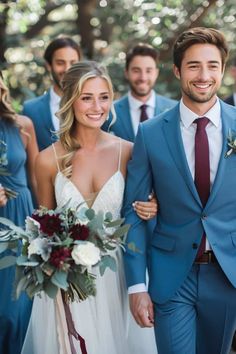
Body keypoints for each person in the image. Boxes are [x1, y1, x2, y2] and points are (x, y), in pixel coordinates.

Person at [21, 61, 157, 354]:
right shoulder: (47, 160)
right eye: (87, 97)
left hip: (121, 277)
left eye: (104, 97)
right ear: (71, 100)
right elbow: (43, 227)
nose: (97, 106)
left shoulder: (128, 151)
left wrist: (153, 206)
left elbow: (143, 209)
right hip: (70, 283)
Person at [123, 27, 236, 354]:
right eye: (193, 66)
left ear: (223, 70)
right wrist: (136, 286)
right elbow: (132, 210)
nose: (204, 75)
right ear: (176, 71)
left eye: (212, 66)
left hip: (227, 275)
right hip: (172, 277)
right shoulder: (151, 132)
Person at [0, 72, 38, 354]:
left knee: (17, 310)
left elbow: (37, 177)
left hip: (21, 221)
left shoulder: (22, 125)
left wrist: (47, 224)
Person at [104, 43, 177, 142]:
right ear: (126, 73)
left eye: (148, 71)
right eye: (136, 70)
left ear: (156, 73)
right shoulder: (109, 112)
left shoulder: (175, 110)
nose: (143, 77)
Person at [22, 36, 81, 151]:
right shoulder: (30, 110)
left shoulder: (93, 107)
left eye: (73, 63)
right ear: (49, 65)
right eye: (60, 63)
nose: (67, 69)